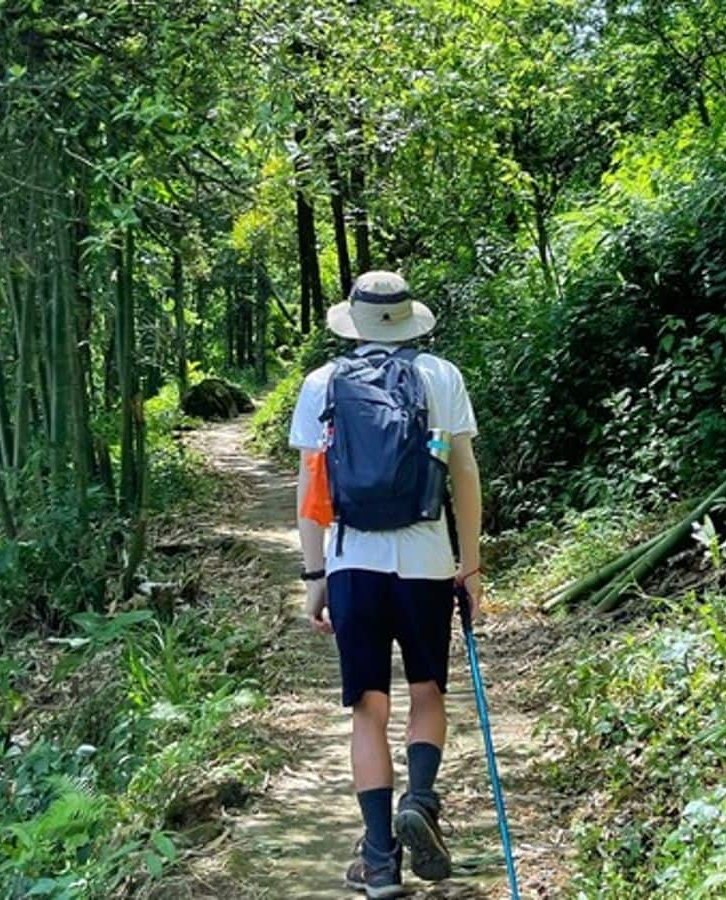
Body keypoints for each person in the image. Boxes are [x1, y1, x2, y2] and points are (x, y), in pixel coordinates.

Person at [289, 270, 483, 898]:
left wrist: (315, 577)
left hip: (352, 565)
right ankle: (420, 801)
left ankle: (378, 860)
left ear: (355, 322)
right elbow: (464, 477)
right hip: (425, 562)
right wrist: (470, 566)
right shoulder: (441, 376)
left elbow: (311, 493)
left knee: (368, 709)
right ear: (406, 320)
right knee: (428, 693)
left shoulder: (321, 385)